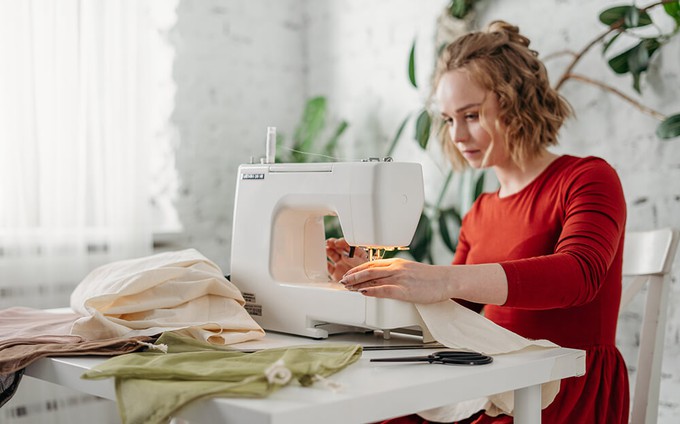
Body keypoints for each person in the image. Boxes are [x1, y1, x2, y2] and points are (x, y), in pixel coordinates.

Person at [326, 20, 629, 424]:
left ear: (518, 103)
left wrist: (444, 278)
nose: (457, 135)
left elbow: (580, 275)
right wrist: (375, 282)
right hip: (498, 376)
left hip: (561, 386)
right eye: (450, 120)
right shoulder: (481, 210)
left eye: (471, 115)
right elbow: (455, 310)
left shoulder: (587, 178)